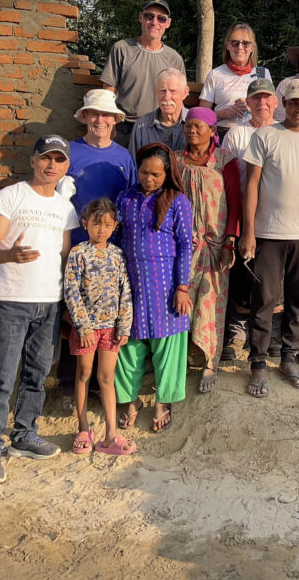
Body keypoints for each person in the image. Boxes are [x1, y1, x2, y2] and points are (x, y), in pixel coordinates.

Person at [0, 134, 80, 485]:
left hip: (49, 302)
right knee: (2, 377)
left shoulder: (65, 208)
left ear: (66, 166)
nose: (51, 165)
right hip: (12, 300)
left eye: (59, 160)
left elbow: (65, 256)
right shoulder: (11, 196)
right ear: (33, 161)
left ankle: (24, 434)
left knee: (37, 374)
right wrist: (9, 255)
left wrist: (68, 301)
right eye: (45, 158)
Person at [239, 78, 299, 398]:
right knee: (264, 299)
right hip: (268, 233)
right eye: (293, 102)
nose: (298, 108)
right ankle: (259, 361)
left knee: (298, 298)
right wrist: (248, 231)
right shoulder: (265, 137)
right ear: (284, 103)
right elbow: (250, 186)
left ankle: (289, 357)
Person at [115, 144, 193, 433]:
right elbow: (117, 237)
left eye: (156, 175)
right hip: (132, 281)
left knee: (168, 343)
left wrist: (182, 287)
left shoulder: (177, 200)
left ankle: (163, 401)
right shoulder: (125, 199)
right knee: (128, 342)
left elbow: (186, 244)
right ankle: (131, 399)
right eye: (145, 173)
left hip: (166, 283)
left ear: (168, 173)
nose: (149, 179)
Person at [173, 107, 240, 393]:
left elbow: (235, 203)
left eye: (199, 126)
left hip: (214, 246)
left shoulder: (225, 160)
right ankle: (180, 360)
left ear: (213, 131)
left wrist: (230, 241)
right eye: (188, 126)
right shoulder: (176, 160)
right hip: (183, 246)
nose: (192, 131)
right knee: (180, 303)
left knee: (211, 304)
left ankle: (209, 362)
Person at [63, 198, 136, 456]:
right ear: (85, 224)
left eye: (107, 224)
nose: (101, 229)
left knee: (107, 377)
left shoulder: (117, 255)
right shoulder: (78, 253)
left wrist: (124, 326)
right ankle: (83, 428)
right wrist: (82, 326)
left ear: (115, 226)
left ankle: (111, 435)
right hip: (87, 329)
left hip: (111, 328)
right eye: (96, 224)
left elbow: (125, 291)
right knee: (83, 374)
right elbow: (71, 291)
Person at [219, 77, 279, 358]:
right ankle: (236, 332)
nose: (262, 103)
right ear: (248, 102)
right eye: (256, 98)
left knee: (271, 278)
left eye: (267, 97)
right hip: (245, 214)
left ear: (275, 102)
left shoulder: (283, 133)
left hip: (276, 218)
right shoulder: (236, 134)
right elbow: (230, 181)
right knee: (243, 274)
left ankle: (268, 332)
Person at [100, 0, 185, 146]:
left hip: (158, 128)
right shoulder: (122, 49)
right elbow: (108, 91)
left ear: (168, 23)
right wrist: (109, 123)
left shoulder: (174, 58)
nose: (154, 22)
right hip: (124, 128)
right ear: (141, 18)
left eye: (161, 18)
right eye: (149, 16)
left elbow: (179, 98)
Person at [66, 89, 137, 246]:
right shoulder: (68, 152)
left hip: (114, 247)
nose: (100, 120)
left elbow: (132, 202)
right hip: (75, 245)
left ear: (114, 119)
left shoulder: (124, 157)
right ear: (84, 117)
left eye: (106, 115)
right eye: (94, 114)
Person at [199, 21, 273, 138]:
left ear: (252, 47)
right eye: (235, 43)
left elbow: (271, 111)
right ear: (227, 45)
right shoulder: (216, 74)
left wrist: (251, 106)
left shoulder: (262, 73)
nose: (240, 47)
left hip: (254, 133)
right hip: (223, 133)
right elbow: (201, 115)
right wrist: (223, 113)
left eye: (246, 43)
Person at [128, 68, 189, 154]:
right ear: (156, 91)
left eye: (173, 91)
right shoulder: (141, 125)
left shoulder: (195, 123)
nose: (167, 97)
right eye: (162, 91)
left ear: (185, 93)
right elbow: (133, 164)